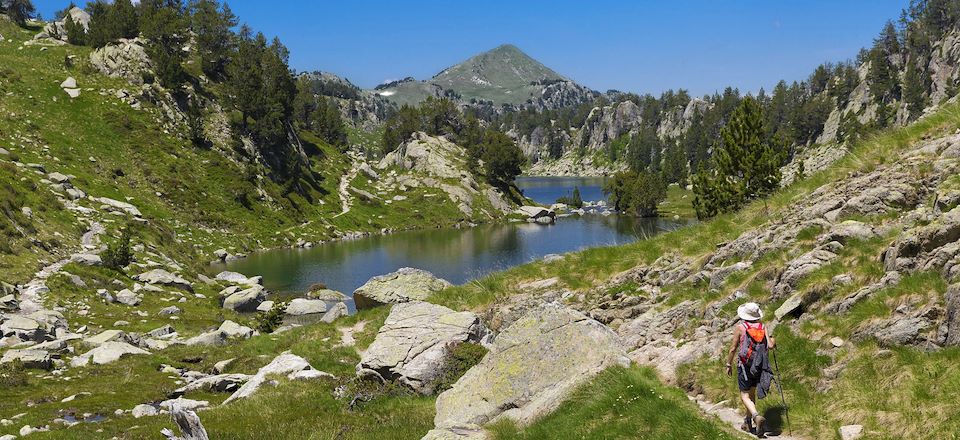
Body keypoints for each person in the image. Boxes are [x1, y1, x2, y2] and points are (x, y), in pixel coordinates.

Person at [725, 302, 775, 436]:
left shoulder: (741, 327)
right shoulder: (763, 326)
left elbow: (733, 348)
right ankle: (747, 422)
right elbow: (770, 345)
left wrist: (728, 364)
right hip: (759, 365)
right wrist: (773, 340)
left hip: (745, 365)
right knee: (752, 394)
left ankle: (756, 416)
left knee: (745, 395)